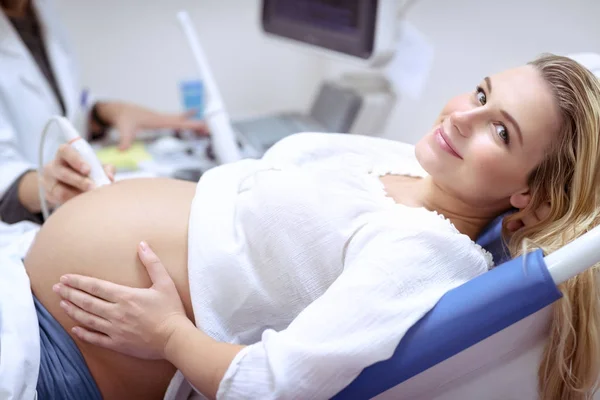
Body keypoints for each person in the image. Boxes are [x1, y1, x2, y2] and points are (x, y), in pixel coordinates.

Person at [24, 54, 600, 400]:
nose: (461, 116)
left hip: (64, 355)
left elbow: (272, 387)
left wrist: (167, 335)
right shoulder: (405, 161)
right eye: (480, 93)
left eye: (501, 132)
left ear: (533, 196)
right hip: (32, 290)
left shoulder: (426, 252)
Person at [0, 0, 208, 224]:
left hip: (71, 208)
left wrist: (108, 112)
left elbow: (59, 110)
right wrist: (48, 185)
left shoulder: (42, 11)